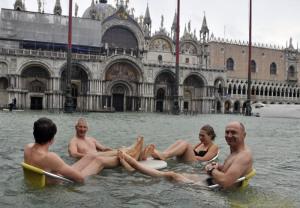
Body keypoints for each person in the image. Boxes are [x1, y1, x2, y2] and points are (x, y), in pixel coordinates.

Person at [118, 121, 253, 189]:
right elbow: (230, 170)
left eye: (233, 133)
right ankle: (136, 168)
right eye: (227, 132)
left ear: (244, 135)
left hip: (213, 187)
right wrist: (219, 166)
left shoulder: (243, 156)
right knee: (172, 172)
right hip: (209, 179)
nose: (229, 135)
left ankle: (134, 163)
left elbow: (225, 182)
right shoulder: (235, 152)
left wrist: (211, 169)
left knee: (171, 175)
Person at [24, 117, 143, 184]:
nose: (82, 129)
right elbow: (79, 179)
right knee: (99, 161)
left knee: (92, 156)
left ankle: (127, 151)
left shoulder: (28, 148)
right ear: (52, 139)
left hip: (54, 176)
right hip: (63, 180)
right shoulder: (50, 157)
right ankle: (127, 156)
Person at [68, 118, 147, 160]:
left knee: (118, 151)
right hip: (90, 160)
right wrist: (89, 156)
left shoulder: (91, 139)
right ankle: (132, 149)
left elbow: (103, 149)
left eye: (84, 127)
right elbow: (73, 154)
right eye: (80, 127)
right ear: (76, 127)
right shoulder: (74, 141)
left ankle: (139, 154)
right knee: (120, 153)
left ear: (87, 128)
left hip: (99, 157)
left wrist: (109, 149)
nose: (82, 129)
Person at [150, 125, 219, 162]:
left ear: (210, 136)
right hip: (190, 159)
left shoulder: (214, 146)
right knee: (180, 141)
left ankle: (165, 155)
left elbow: (204, 159)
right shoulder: (199, 144)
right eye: (199, 135)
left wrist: (192, 155)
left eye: (202, 136)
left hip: (196, 163)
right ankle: (163, 154)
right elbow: (188, 150)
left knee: (186, 144)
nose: (200, 137)